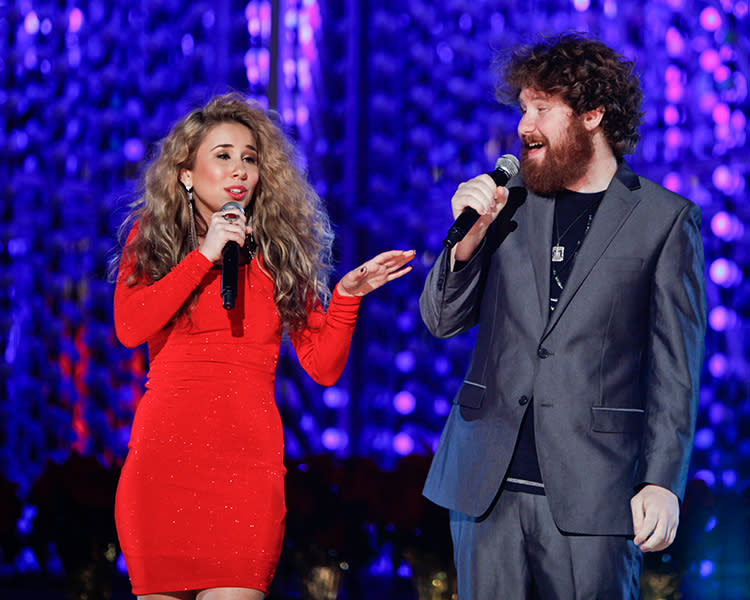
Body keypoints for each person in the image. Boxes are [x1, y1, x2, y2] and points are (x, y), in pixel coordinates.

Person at [420, 33, 706, 599]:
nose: (525, 124)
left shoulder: (664, 220)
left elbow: (677, 368)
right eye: (523, 108)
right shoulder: (508, 201)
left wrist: (661, 481)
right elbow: (440, 319)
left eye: (543, 109)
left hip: (593, 490)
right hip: (485, 486)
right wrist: (468, 241)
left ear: (593, 114)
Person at [112, 92, 414, 600]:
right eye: (223, 155)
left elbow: (322, 367)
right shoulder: (153, 238)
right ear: (186, 173)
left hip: (245, 474)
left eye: (249, 158)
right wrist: (206, 254)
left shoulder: (278, 249)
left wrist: (345, 298)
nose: (239, 169)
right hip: (163, 466)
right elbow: (130, 327)